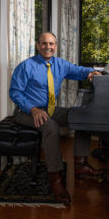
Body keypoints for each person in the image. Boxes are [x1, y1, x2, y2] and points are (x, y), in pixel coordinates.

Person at [9, 32, 101, 205]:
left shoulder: (59, 64)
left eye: (51, 44)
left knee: (81, 117)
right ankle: (55, 179)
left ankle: (81, 165)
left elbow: (79, 71)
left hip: (50, 109)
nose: (48, 47)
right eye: (44, 43)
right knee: (50, 126)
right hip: (26, 111)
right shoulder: (26, 66)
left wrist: (92, 72)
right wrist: (33, 109)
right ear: (38, 46)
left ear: (56, 46)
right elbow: (15, 92)